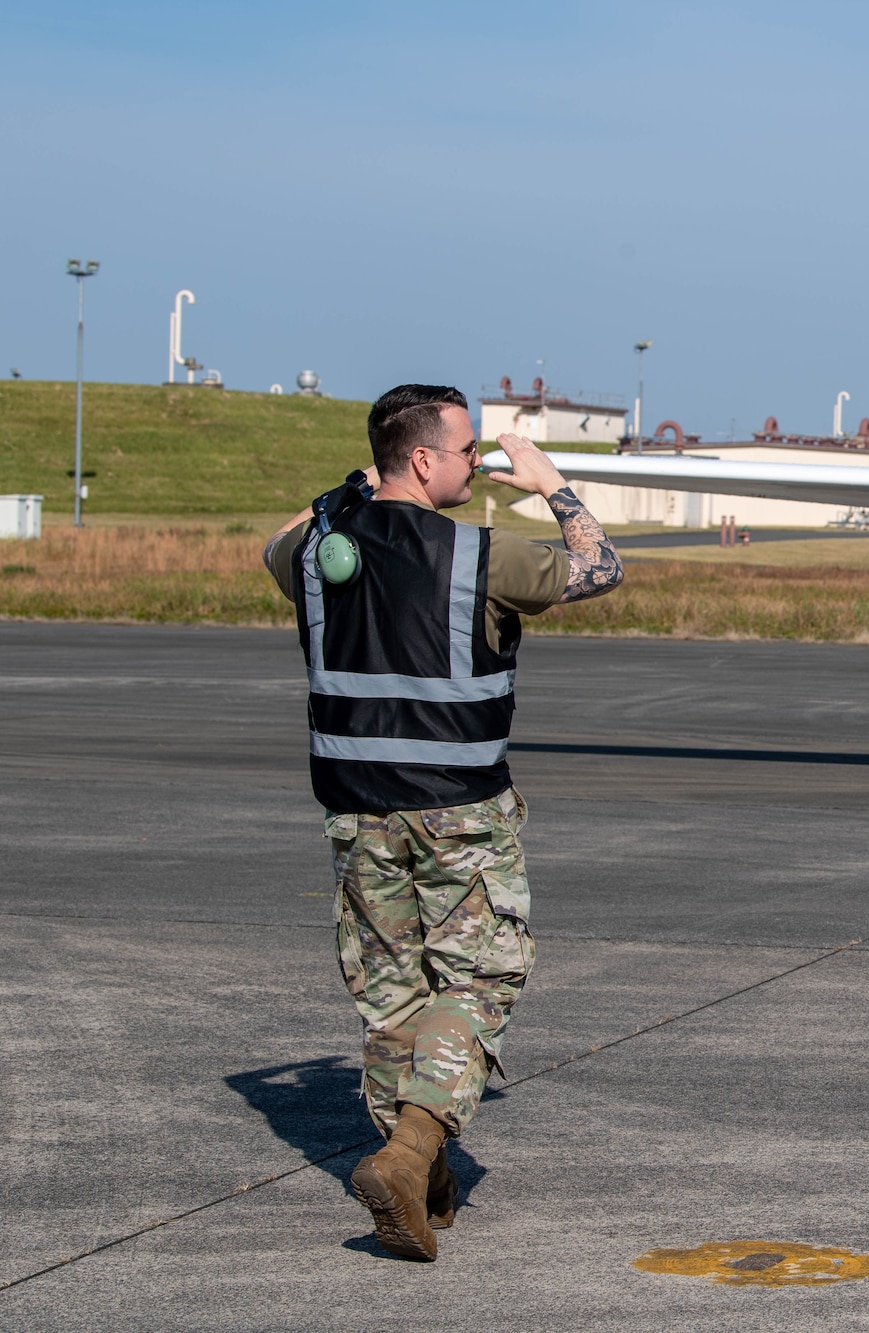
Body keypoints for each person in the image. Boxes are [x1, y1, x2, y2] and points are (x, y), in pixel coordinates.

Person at [262, 384, 623, 1260]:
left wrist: (354, 487)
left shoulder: (317, 552)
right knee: (481, 980)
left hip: (356, 818)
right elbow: (601, 567)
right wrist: (551, 485)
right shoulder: (478, 557)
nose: (478, 463)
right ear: (425, 460)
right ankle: (416, 1144)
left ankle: (416, 1181)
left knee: (391, 999)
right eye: (467, 450)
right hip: (460, 817)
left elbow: (270, 543)